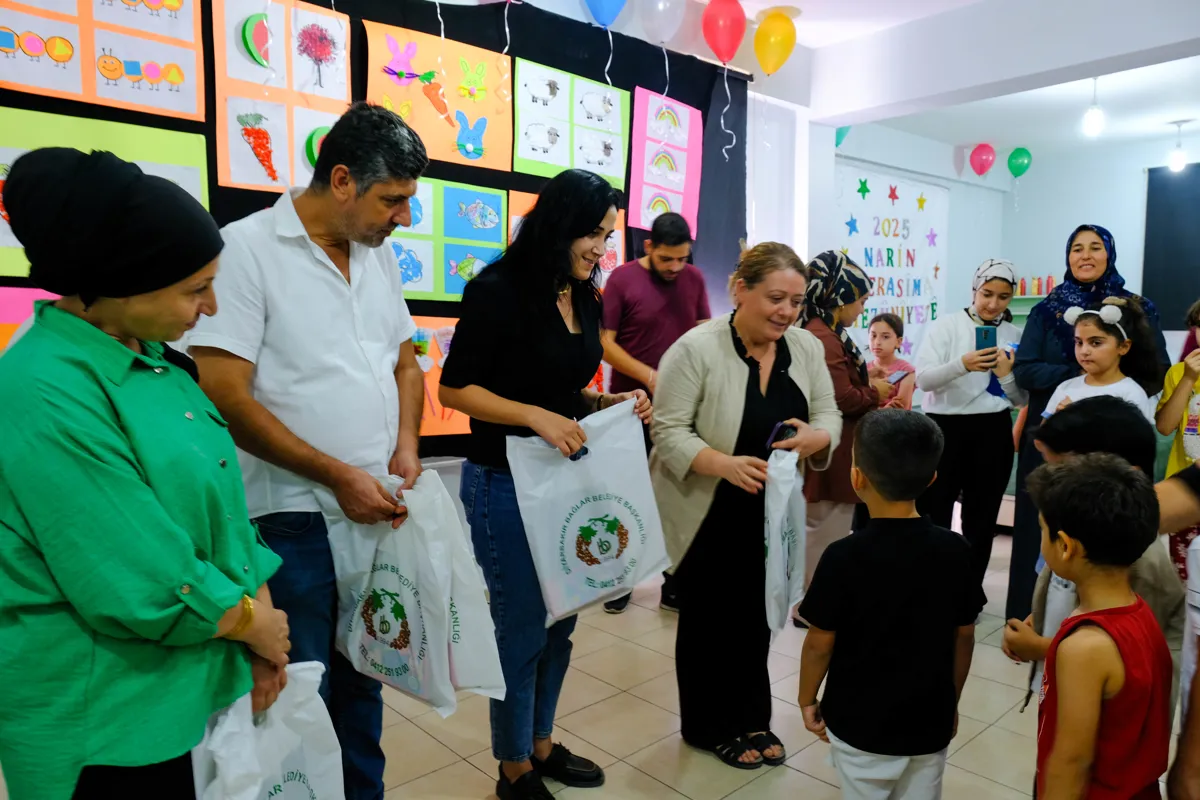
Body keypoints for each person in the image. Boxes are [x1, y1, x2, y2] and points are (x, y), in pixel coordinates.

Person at [0, 149, 291, 800]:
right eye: (195, 289)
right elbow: (133, 569)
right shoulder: (42, 389)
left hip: (192, 680)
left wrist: (260, 629)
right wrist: (252, 624)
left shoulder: (160, 367)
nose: (211, 307)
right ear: (116, 282)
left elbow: (222, 510)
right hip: (105, 719)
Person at [186, 102, 428, 800]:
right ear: (343, 180)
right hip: (290, 519)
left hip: (372, 509)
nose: (402, 218)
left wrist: (407, 444)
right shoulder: (248, 250)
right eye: (393, 200)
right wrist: (335, 474)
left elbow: (405, 361)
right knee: (299, 694)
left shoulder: (376, 258)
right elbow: (226, 396)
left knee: (364, 680)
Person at [438, 169, 652, 800]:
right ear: (559, 224)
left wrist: (607, 404)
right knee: (524, 626)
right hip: (501, 482)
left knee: (563, 621)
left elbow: (560, 385)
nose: (601, 249)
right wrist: (533, 415)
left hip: (561, 481)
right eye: (594, 233)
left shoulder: (584, 293)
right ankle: (512, 767)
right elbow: (454, 389)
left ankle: (541, 742)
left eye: (608, 235)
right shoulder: (497, 291)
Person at [650, 242, 841, 770]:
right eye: (775, 298)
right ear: (740, 290)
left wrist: (817, 437)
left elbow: (827, 411)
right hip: (707, 508)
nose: (786, 311)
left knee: (759, 617)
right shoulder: (696, 350)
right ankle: (707, 727)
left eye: (796, 302)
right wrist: (723, 463)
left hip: (772, 511)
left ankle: (753, 716)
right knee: (711, 622)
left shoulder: (802, 348)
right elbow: (667, 433)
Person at [797, 410, 983, 799]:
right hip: (929, 721)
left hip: (858, 722)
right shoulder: (956, 550)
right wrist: (951, 701)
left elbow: (819, 641)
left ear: (857, 477)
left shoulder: (842, 556)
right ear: (932, 479)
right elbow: (963, 636)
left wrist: (806, 698)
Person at [1008, 224, 1170, 621]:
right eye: (1076, 248)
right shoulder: (1047, 309)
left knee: (1104, 534)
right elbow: (1026, 370)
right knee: (1042, 530)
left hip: (1113, 446)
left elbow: (1158, 369)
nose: (1085, 255)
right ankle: (1032, 616)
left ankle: (1102, 622)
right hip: (1055, 438)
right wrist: (1077, 374)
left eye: (1095, 247)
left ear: (1109, 254)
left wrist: (1105, 380)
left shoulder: (1137, 307)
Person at [1001, 396, 1184, 719]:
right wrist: (1041, 617)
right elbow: (1064, 588)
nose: (1051, 481)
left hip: (1111, 723)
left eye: (1062, 469)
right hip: (1064, 687)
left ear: (1124, 474)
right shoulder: (1074, 526)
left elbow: (1133, 657)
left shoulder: (1140, 559)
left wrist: (1041, 647)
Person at [1028, 454, 1171, 800]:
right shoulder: (1139, 613)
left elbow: (1071, 762)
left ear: (1065, 546)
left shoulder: (1085, 648)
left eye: (1043, 532)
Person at [599, 211, 709, 614]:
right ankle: (620, 581)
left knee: (676, 494)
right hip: (628, 407)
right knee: (624, 495)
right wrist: (650, 376)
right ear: (648, 247)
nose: (676, 268)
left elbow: (703, 334)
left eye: (683, 259)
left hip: (681, 412)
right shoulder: (622, 279)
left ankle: (674, 581)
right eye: (667, 260)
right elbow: (605, 344)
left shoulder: (693, 280)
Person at [915, 259, 1026, 594]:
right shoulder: (946, 326)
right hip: (943, 429)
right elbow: (923, 380)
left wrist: (1006, 373)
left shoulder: (1014, 335)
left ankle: (968, 592)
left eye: (1003, 297)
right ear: (974, 289)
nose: (993, 303)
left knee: (981, 518)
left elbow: (1020, 399)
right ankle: (931, 589)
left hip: (992, 430)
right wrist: (962, 365)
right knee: (934, 512)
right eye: (986, 293)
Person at [796, 250, 887, 626]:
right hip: (831, 451)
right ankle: (810, 608)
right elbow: (842, 397)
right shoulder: (823, 337)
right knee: (825, 532)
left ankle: (815, 601)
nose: (863, 309)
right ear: (839, 295)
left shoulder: (828, 333)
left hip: (835, 446)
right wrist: (876, 392)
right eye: (861, 300)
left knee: (826, 529)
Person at [1041, 298, 1161, 422]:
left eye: (1096, 343)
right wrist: (1056, 420)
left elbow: (1134, 440)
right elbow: (1040, 440)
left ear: (1123, 346)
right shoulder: (1065, 388)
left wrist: (1077, 419)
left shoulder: (1131, 394)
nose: (1084, 351)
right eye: (1079, 342)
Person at [1157, 302, 1200, 581]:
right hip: (1186, 490)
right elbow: (1165, 426)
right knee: (1185, 577)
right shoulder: (1178, 373)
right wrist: (1188, 378)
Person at [865, 313, 915, 410]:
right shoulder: (864, 369)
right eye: (873, 336)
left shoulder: (906, 370)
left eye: (885, 337)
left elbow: (901, 406)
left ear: (898, 342)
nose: (877, 342)